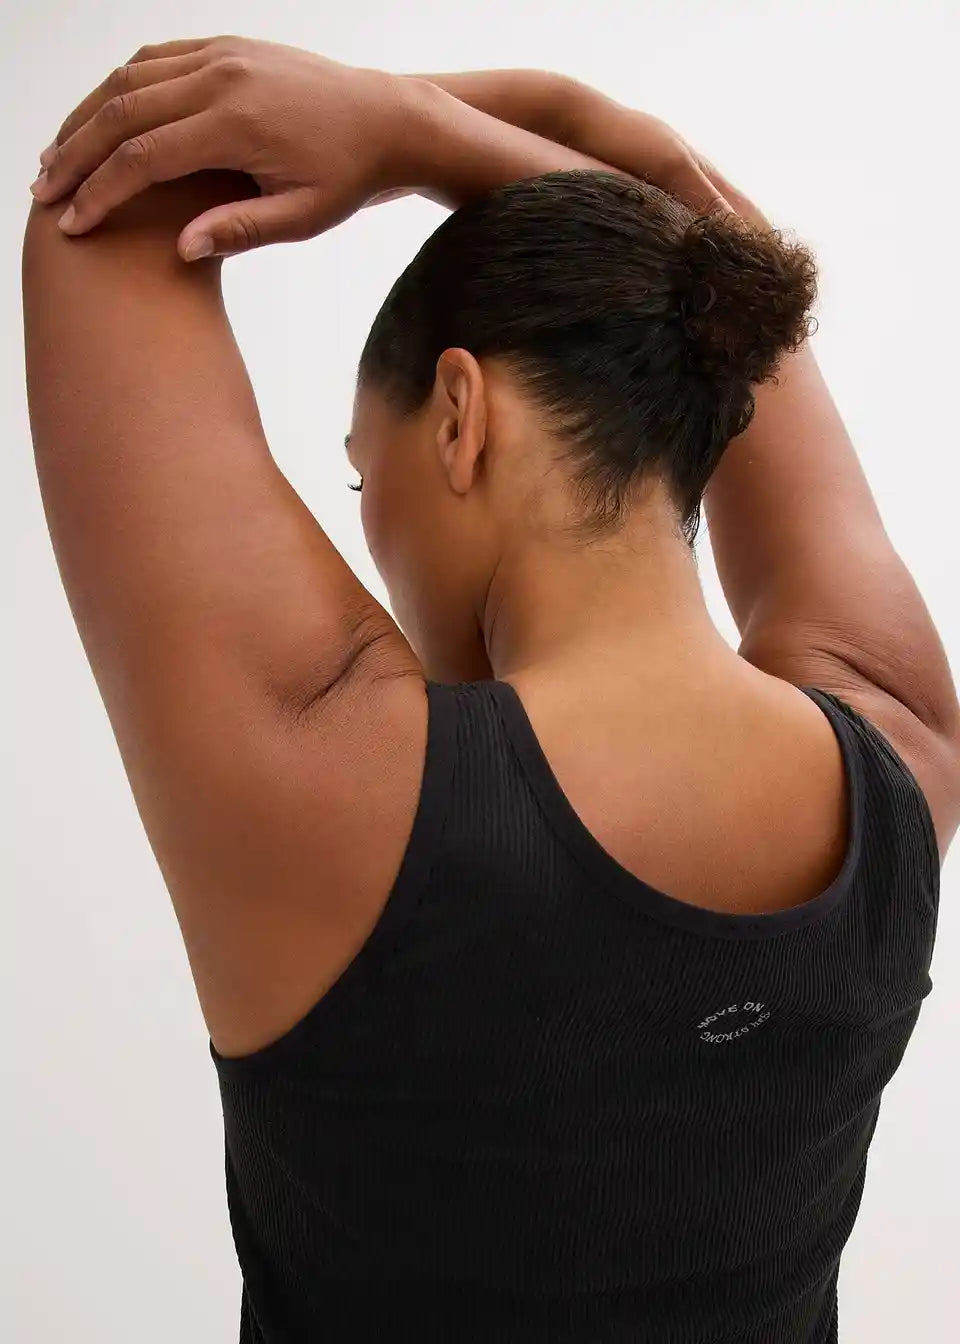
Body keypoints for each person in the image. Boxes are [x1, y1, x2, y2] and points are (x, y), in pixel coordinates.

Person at [23, 38, 957, 1344]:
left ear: (459, 418)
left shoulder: (335, 789)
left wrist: (438, 127)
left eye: (368, 474)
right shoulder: (902, 750)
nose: (373, 530)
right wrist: (420, 132)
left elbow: (112, 196)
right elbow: (722, 273)